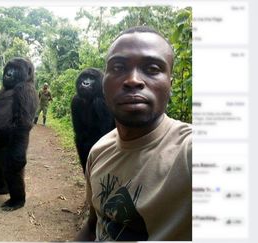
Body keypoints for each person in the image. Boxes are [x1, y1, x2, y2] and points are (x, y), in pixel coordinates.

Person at [75, 26, 192, 241]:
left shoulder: (188, 150)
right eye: (118, 67)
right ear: (105, 83)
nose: (132, 80)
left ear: (170, 85)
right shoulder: (99, 151)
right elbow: (94, 227)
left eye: (153, 68)